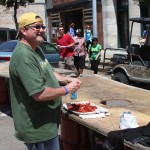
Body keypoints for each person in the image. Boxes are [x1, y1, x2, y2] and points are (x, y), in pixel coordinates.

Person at [9, 12, 81, 150]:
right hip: (37, 128)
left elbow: (48, 70)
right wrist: (66, 89)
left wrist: (65, 79)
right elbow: (39, 94)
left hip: (47, 123)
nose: (42, 30)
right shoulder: (24, 56)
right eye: (37, 27)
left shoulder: (36, 49)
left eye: (42, 26)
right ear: (23, 30)